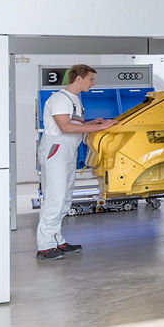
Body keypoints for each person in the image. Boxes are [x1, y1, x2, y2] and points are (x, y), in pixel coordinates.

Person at [36, 64, 115, 260]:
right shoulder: (60, 99)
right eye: (91, 79)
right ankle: (45, 246)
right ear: (78, 78)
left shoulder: (74, 100)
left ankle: (57, 241)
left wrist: (91, 123)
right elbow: (64, 127)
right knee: (55, 198)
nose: (93, 83)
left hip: (67, 151)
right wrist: (100, 127)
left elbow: (74, 124)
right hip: (57, 150)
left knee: (64, 198)